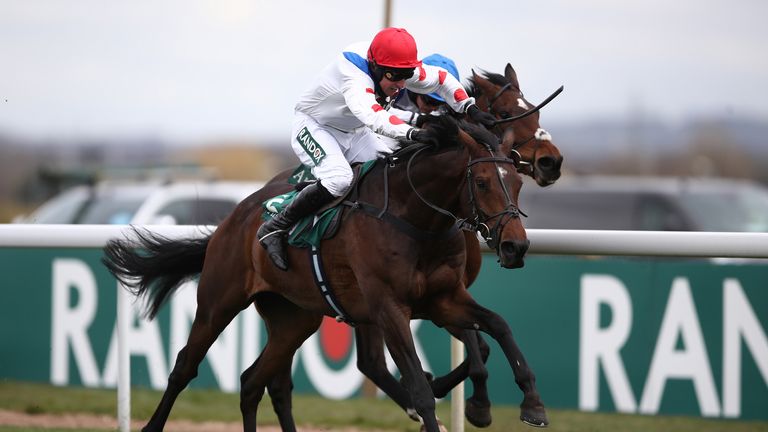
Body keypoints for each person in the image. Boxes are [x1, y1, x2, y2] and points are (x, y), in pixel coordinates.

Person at [258, 27, 497, 271]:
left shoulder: (394, 66)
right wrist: (414, 132)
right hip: (315, 126)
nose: (401, 86)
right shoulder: (353, 77)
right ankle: (275, 226)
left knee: (390, 173)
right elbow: (376, 117)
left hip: (354, 130)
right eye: (396, 78)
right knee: (339, 180)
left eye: (406, 77)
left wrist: (469, 108)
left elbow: (442, 79)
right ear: (376, 68)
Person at [389, 53, 461, 125]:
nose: (433, 108)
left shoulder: (445, 108)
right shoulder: (395, 86)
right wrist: (417, 119)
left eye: (439, 103)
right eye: (430, 101)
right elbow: (379, 110)